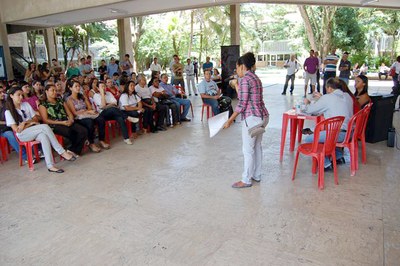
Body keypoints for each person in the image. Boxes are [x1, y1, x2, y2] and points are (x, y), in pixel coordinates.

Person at [223, 52, 269, 189]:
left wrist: (230, 120)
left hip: (252, 118)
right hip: (263, 117)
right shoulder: (255, 78)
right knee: (257, 147)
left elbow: (242, 104)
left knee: (248, 150)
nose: (236, 71)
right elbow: (246, 96)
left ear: (242, 66)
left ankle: (246, 179)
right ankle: (257, 174)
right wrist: (236, 85)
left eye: (237, 68)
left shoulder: (245, 80)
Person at [5, 86, 76, 173]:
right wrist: (29, 123)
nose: (21, 97)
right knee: (45, 127)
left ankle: (50, 166)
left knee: (43, 137)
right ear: (11, 96)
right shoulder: (8, 112)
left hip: (34, 130)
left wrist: (25, 123)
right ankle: (61, 152)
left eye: (22, 95)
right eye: (18, 95)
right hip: (23, 135)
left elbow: (36, 119)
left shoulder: (26, 105)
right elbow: (17, 130)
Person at [302, 77, 353, 169]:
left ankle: (326, 163)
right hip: (349, 133)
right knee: (329, 133)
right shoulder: (347, 96)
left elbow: (310, 110)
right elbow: (335, 104)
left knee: (309, 139)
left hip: (335, 134)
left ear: (329, 88)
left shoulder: (327, 98)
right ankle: (338, 157)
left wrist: (306, 102)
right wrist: (323, 98)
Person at [39, 84, 88, 157]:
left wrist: (71, 119)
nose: (55, 92)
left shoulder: (60, 100)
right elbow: (45, 120)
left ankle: (73, 150)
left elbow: (69, 113)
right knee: (69, 132)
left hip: (66, 121)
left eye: (55, 90)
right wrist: (61, 122)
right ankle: (74, 150)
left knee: (83, 130)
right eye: (52, 90)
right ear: (46, 92)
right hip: (54, 125)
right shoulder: (43, 104)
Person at [66, 79, 110, 152]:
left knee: (100, 119)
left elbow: (89, 107)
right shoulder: (69, 99)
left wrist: (86, 111)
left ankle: (101, 140)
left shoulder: (82, 96)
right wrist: (87, 111)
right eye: (75, 86)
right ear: (70, 88)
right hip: (78, 118)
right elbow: (75, 113)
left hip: (87, 114)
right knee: (89, 122)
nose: (78, 88)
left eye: (79, 86)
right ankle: (91, 143)